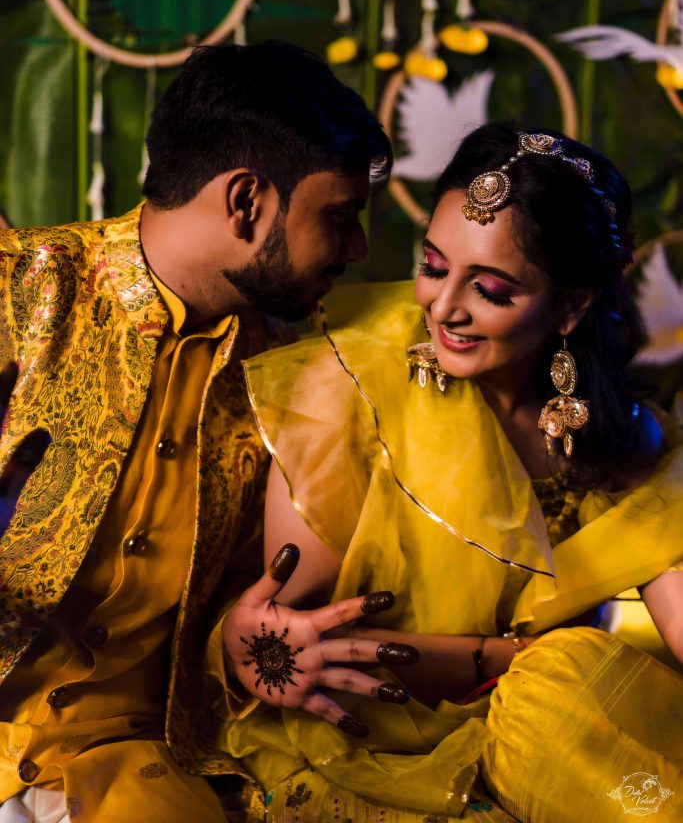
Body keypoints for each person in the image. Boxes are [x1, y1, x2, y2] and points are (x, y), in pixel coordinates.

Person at [220, 124, 683, 822]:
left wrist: (523, 667)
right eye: (433, 266)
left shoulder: (615, 435)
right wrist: (513, 657)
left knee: (566, 686)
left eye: (490, 289)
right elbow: (309, 641)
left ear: (569, 305)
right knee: (557, 675)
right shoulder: (346, 383)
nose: (443, 308)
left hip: (545, 738)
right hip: (359, 737)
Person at [0, 40, 412, 823]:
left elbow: (229, 591)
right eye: (339, 216)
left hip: (124, 758)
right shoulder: (23, 289)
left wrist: (238, 637)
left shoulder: (289, 374)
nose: (357, 250)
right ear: (246, 201)